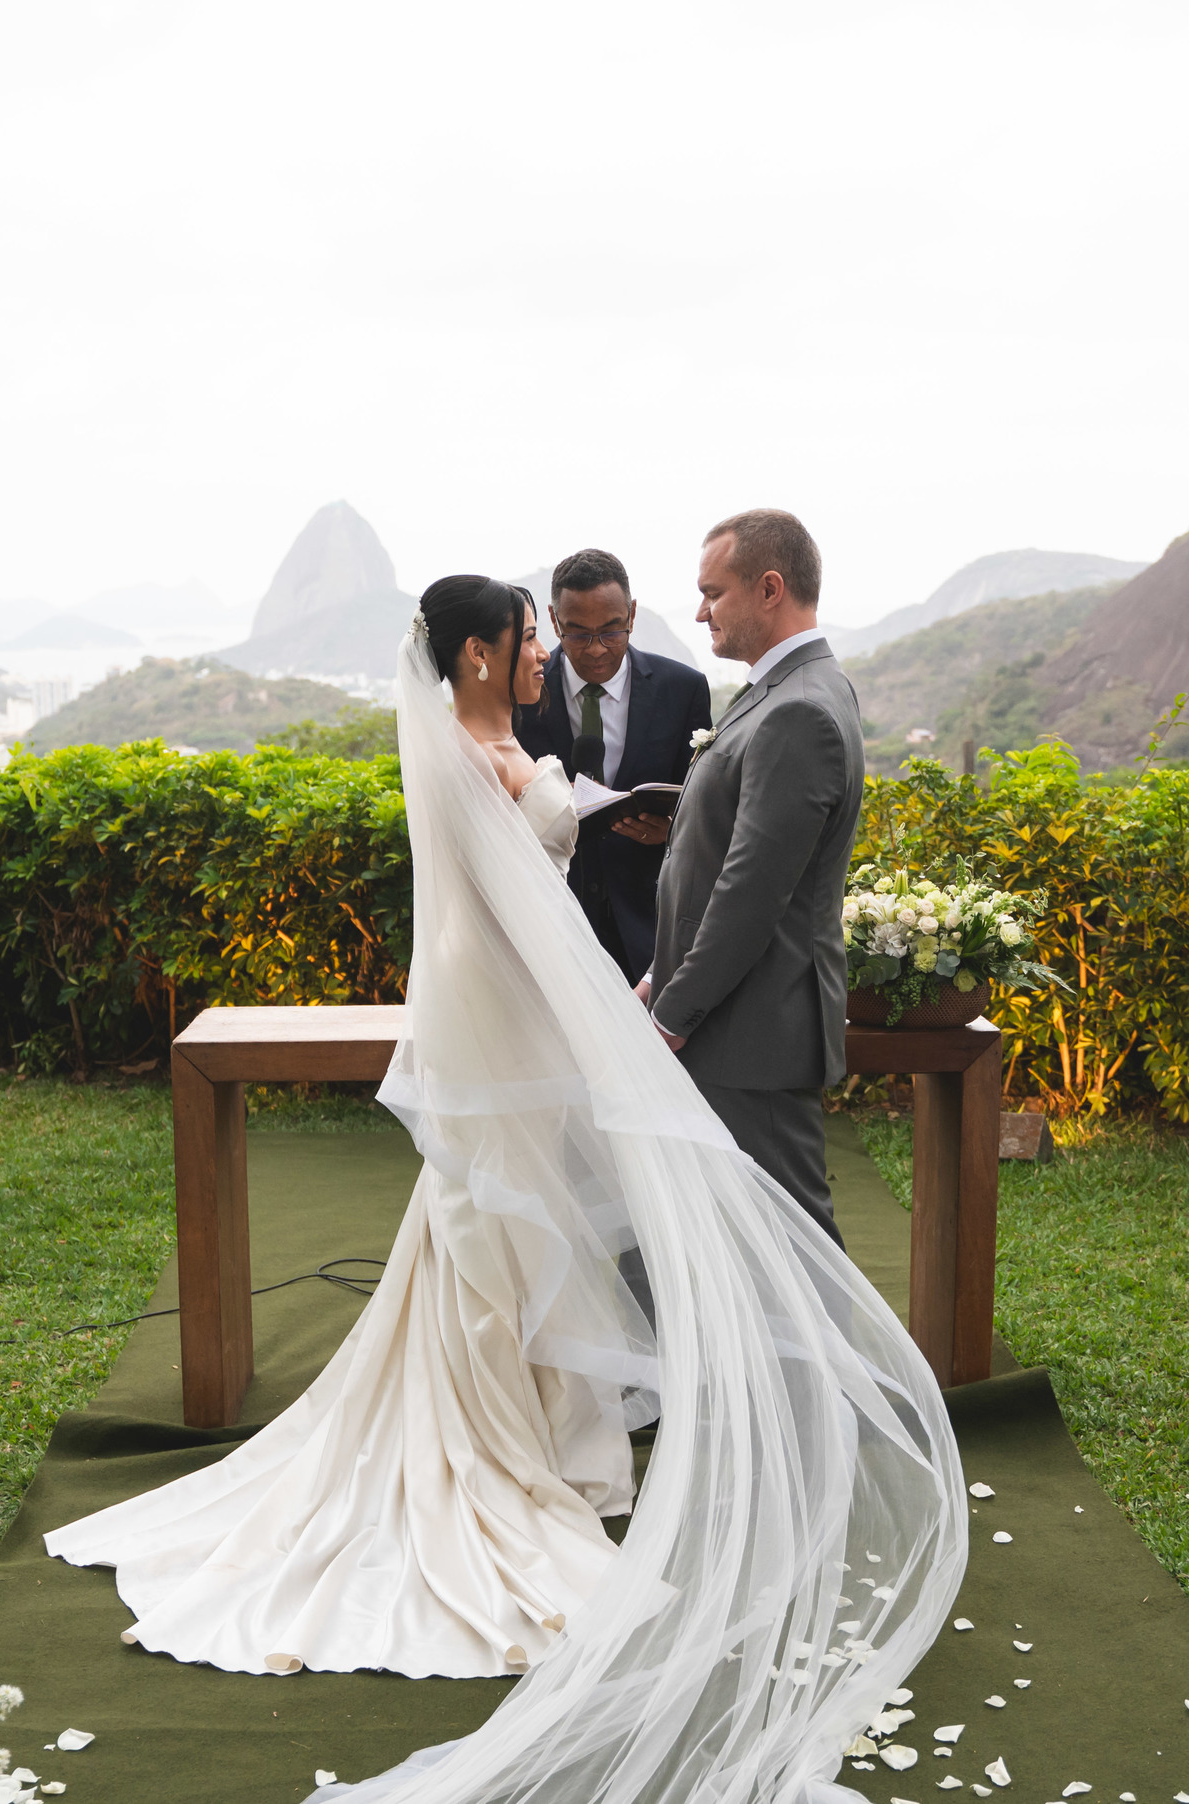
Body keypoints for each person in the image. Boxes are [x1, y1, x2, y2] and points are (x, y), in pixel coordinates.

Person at [48, 574, 965, 1804]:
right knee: (511, 1235)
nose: (546, 651)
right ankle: (495, 1446)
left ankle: (534, 1425)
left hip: (550, 1012)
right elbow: (501, 921)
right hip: (524, 1018)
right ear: (483, 652)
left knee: (508, 1236)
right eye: (531, 635)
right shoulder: (480, 757)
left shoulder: (492, 740)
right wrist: (604, 1014)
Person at [640, 509, 864, 1250]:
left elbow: (751, 891)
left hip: (755, 1030)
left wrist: (673, 1013)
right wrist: (656, 975)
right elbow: (720, 863)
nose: (701, 611)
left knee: (797, 1248)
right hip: (738, 1020)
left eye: (714, 592)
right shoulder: (789, 690)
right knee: (729, 1242)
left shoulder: (800, 709)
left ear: (770, 589)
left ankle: (833, 1375)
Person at [517, 548, 711, 982]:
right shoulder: (519, 696)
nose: (597, 650)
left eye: (611, 632)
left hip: (650, 929)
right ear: (553, 621)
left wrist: (672, 832)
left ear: (633, 614)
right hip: (547, 929)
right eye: (578, 634)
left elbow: (705, 805)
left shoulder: (683, 690)